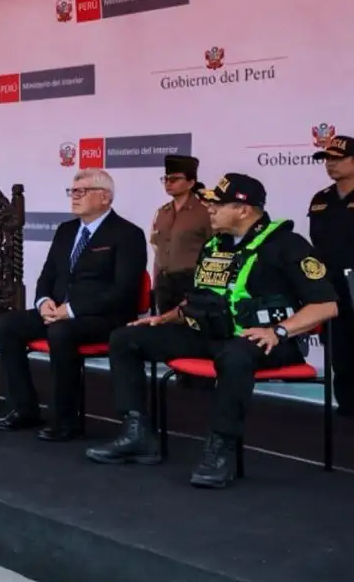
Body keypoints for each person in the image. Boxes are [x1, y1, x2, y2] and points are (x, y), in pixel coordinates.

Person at [86, 173, 339, 488]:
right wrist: (166, 318)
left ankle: (220, 448)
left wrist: (279, 331)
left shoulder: (287, 245)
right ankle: (136, 434)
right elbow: (203, 299)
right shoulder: (215, 245)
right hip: (210, 336)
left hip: (266, 342)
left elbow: (327, 305)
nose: (210, 210)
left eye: (218, 205)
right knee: (126, 338)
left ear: (244, 209)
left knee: (235, 356)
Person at [0, 168, 149, 440]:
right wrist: (43, 302)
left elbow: (124, 291)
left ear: (105, 198)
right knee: (5, 324)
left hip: (104, 317)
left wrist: (71, 310)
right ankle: (24, 408)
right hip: (60, 312)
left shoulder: (127, 234)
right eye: (72, 191)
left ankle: (65, 420)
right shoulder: (66, 230)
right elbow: (47, 275)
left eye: (82, 191)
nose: (74, 197)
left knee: (61, 332)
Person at [305, 134, 353, 418]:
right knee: (340, 349)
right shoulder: (321, 199)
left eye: (338, 158)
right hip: (331, 285)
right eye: (327, 159)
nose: (331, 164)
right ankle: (347, 407)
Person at [150, 154, 210, 313]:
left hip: (191, 282)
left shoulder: (205, 212)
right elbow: (158, 250)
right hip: (164, 284)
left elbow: (214, 249)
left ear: (191, 183)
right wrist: (155, 284)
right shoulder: (162, 212)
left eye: (175, 179)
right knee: (164, 331)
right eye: (166, 179)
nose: (169, 183)